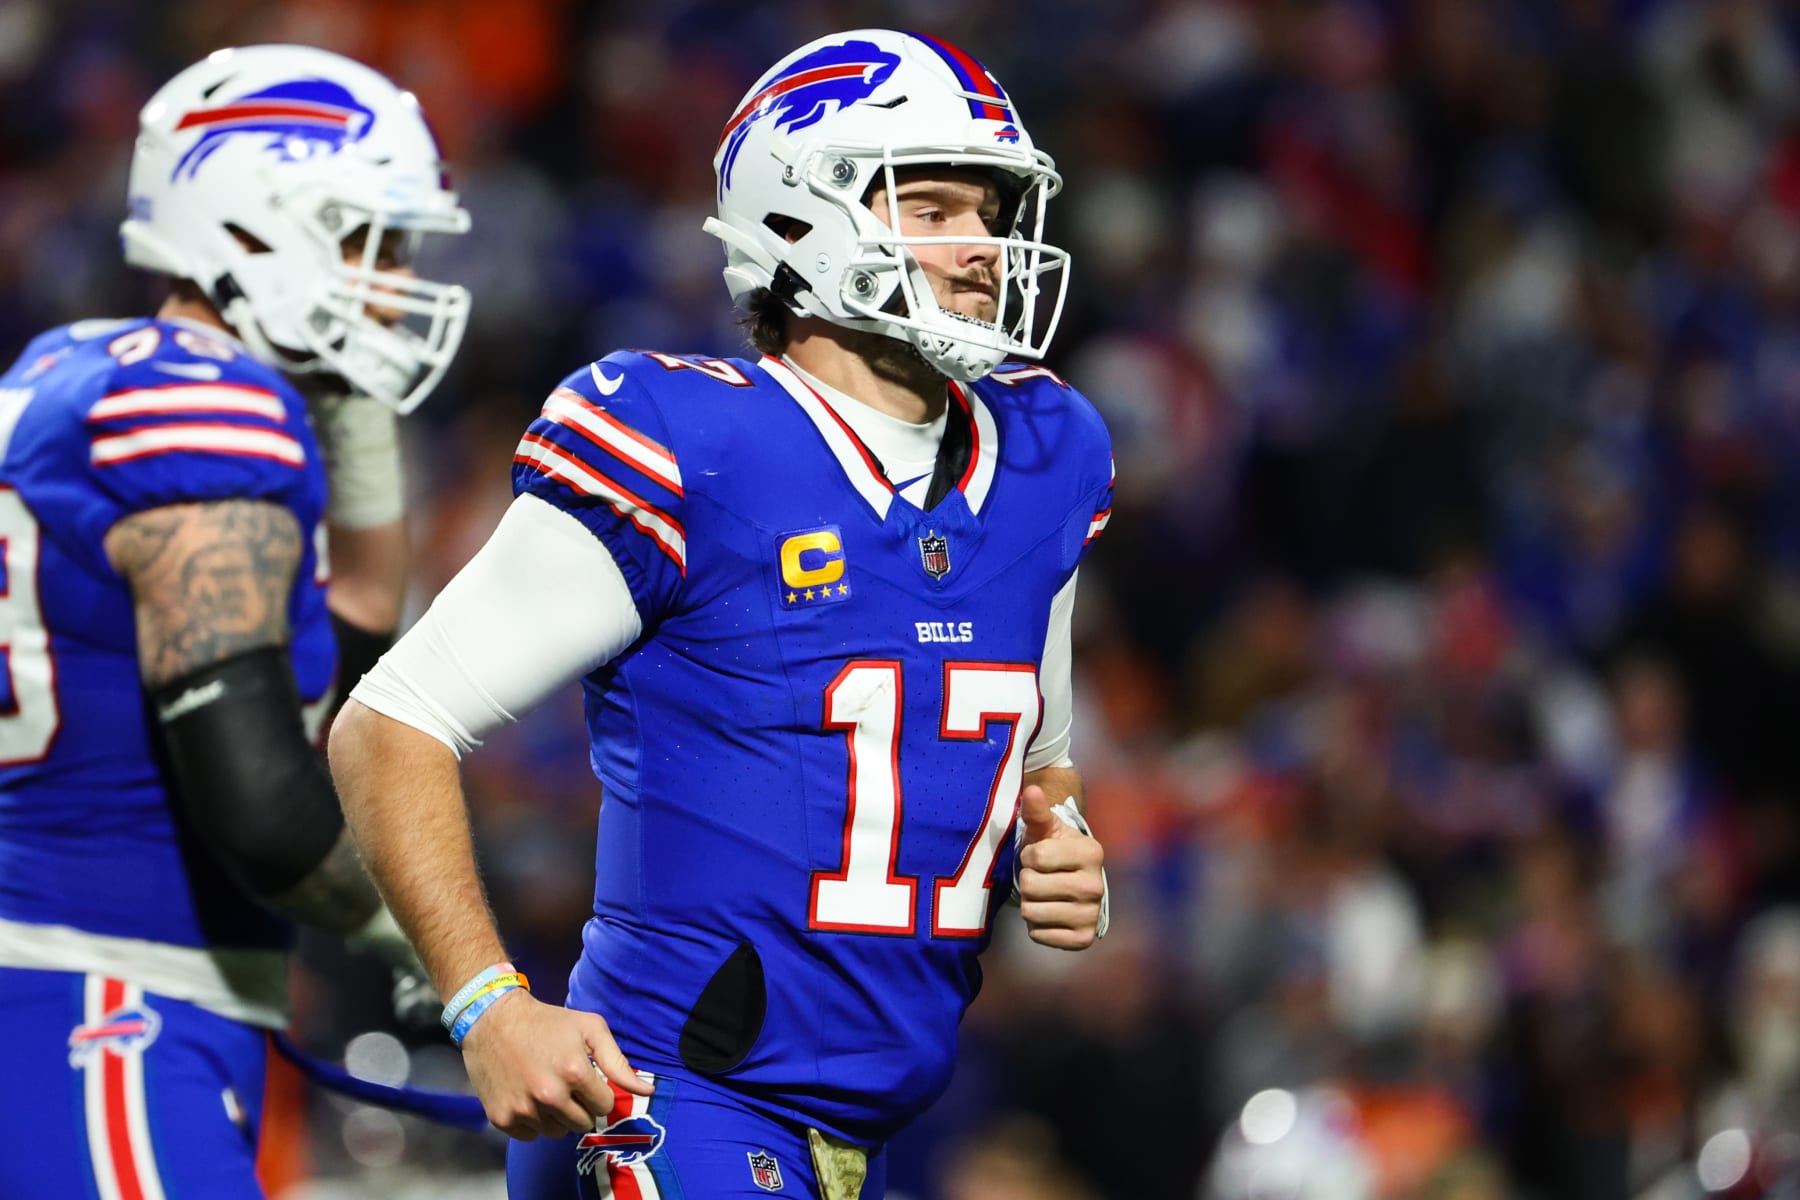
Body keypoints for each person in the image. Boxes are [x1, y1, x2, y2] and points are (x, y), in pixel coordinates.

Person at [330, 28, 1112, 1199]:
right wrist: (488, 1002)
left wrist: (1058, 850)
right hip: (673, 1102)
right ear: (802, 220)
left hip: (877, 1131)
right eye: (935, 204)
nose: (983, 248)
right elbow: (388, 724)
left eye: (993, 211)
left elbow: (1029, 761)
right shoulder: (691, 442)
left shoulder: (1047, 453)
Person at [0, 44, 470, 1198]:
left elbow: (350, 633)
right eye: (373, 240)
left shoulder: (71, 365)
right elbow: (261, 803)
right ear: (260, 224)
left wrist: (349, 410)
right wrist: (438, 943)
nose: (399, 276)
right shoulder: (205, 410)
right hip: (100, 991)